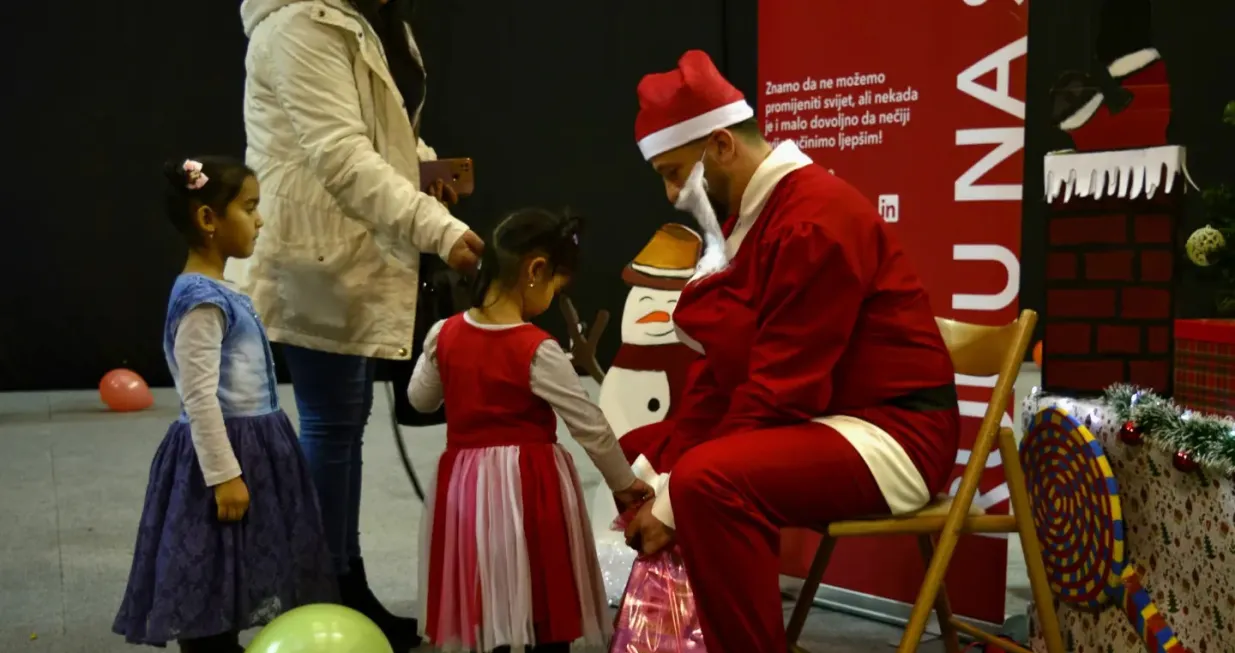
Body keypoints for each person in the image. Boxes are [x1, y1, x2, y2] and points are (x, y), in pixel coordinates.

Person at [619, 51, 962, 653]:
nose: (674, 195)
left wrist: (675, 496)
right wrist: (657, 472)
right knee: (659, 460)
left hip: (894, 433)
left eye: (677, 173)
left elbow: (782, 389)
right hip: (834, 417)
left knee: (707, 484)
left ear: (722, 145)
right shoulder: (763, 216)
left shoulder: (812, 219)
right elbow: (724, 375)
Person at [234, 0, 484, 646]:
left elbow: (387, 134)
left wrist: (425, 168)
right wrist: (438, 230)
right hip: (315, 252)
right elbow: (341, 157)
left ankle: (340, 579)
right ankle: (320, 587)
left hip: (352, 247)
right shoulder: (297, 27)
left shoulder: (374, 17)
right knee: (331, 422)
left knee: (343, 421)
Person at [113, 158, 336, 653]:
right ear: (208, 220)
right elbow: (198, 397)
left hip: (256, 447)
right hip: (224, 456)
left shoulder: (220, 290)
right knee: (210, 575)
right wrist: (223, 474)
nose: (259, 220)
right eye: (249, 208)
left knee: (239, 562)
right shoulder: (201, 301)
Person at [407, 209, 655, 653]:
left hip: (466, 488)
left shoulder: (442, 334)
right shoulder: (537, 349)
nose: (556, 296)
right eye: (559, 285)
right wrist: (625, 483)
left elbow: (420, 400)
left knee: (487, 586)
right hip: (530, 486)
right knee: (541, 587)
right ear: (536, 270)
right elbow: (591, 427)